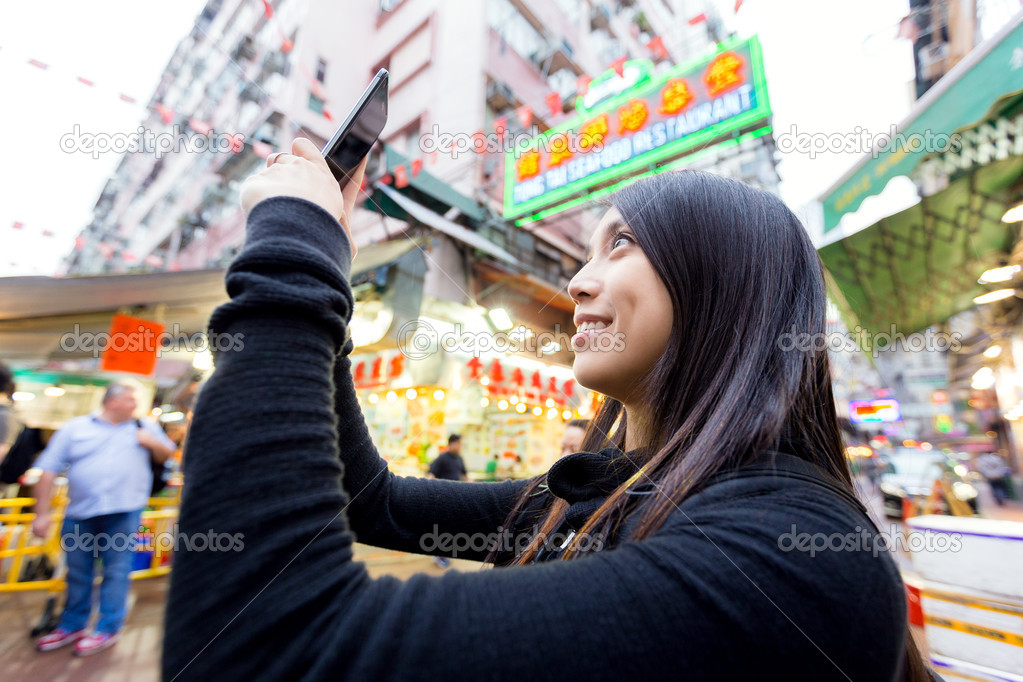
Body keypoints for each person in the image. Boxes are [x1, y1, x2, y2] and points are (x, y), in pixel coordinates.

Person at [163, 139, 935, 680]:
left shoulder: (790, 555)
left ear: (725, 285)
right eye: (589, 250)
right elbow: (376, 504)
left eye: (622, 243)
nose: (578, 281)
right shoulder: (610, 499)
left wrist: (289, 250)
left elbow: (266, 653)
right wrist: (324, 276)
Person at [32, 380, 176, 656]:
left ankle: (107, 627)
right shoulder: (76, 428)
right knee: (78, 570)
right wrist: (42, 514)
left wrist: (150, 442)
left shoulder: (144, 427)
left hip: (125, 511)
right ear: (113, 401)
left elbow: (168, 454)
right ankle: (72, 623)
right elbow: (47, 470)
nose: (136, 405)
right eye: (130, 400)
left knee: (116, 570)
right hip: (80, 512)